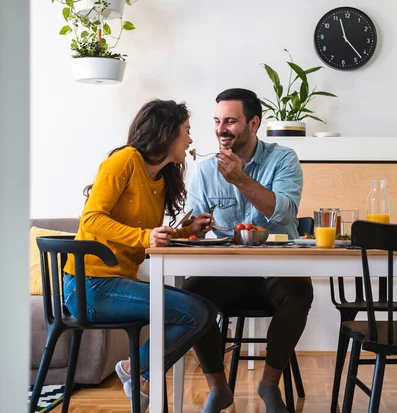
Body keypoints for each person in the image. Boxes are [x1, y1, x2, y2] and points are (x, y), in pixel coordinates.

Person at [62, 99, 218, 412]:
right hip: (90, 286)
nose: (190, 139)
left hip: (117, 283)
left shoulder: (160, 180)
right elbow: (91, 218)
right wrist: (145, 236)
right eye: (186, 131)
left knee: (203, 310)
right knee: (197, 312)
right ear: (167, 133)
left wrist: (185, 231)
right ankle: (138, 371)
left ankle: (137, 371)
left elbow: (146, 237)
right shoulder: (124, 161)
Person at [183, 88, 313, 413]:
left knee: (299, 292)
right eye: (217, 121)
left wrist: (241, 179)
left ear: (253, 123)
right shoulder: (204, 171)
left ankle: (269, 385)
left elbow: (284, 213)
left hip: (275, 271)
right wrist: (194, 227)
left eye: (230, 121)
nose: (220, 129)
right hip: (227, 273)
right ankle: (218, 387)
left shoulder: (283, 159)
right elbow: (192, 229)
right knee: (191, 295)